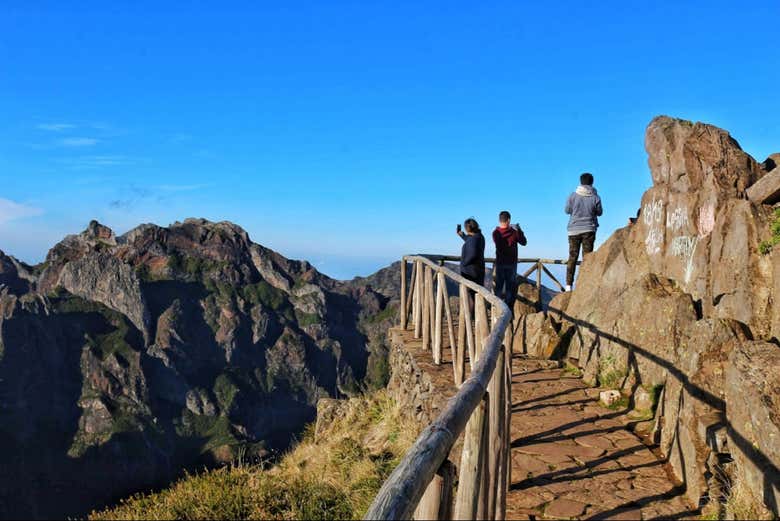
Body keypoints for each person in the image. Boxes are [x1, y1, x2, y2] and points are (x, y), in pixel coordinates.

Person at [565, 172, 603, 291]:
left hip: (574, 230)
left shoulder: (572, 196)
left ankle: (568, 285)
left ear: (580, 182)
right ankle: (585, 284)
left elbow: (567, 210)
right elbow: (600, 212)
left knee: (572, 257)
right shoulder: (596, 197)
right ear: (592, 182)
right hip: (589, 229)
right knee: (587, 258)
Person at [492, 211, 527, 310]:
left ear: (499, 220)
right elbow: (524, 242)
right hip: (511, 264)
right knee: (509, 290)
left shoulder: (495, 233)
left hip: (500, 263)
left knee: (498, 288)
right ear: (509, 220)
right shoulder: (514, 232)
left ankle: (496, 310)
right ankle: (508, 311)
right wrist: (518, 229)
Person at [456, 218, 486, 287]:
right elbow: (471, 242)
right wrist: (462, 235)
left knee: (471, 294)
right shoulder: (480, 236)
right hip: (479, 270)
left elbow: (472, 254)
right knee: (477, 293)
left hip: (471, 272)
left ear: (467, 228)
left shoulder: (473, 239)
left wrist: (463, 263)